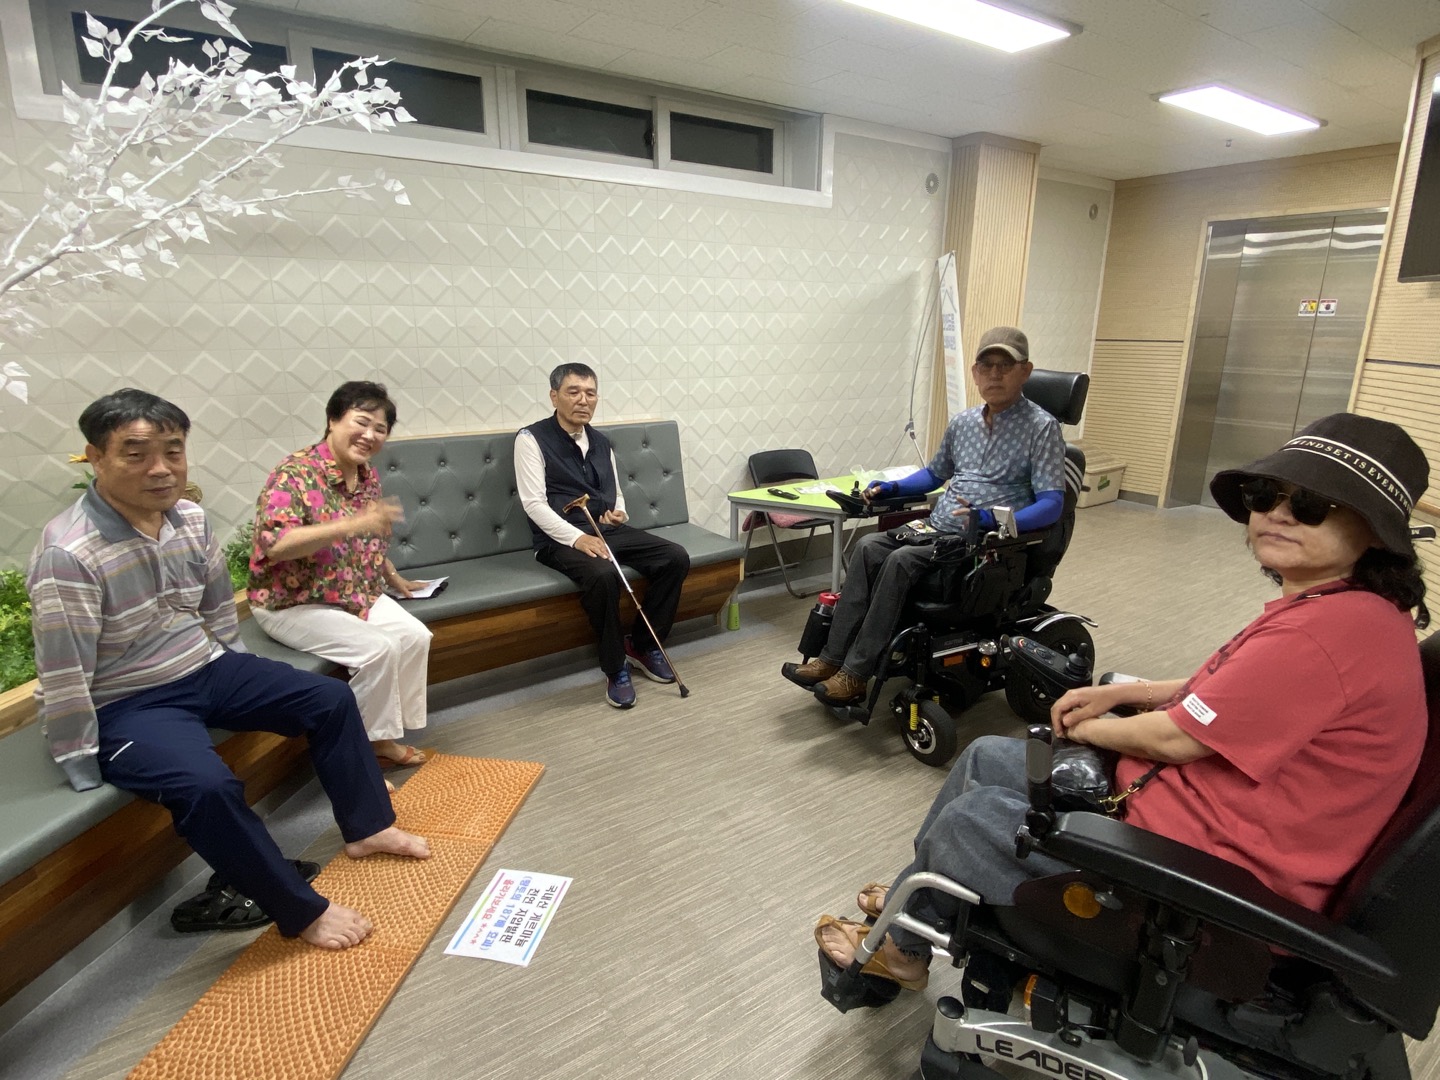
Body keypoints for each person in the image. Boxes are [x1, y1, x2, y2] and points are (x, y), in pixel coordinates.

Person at [814, 411, 1430, 991]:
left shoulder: (1325, 636)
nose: (1278, 515)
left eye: (1313, 505)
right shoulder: (1347, 611)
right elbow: (1232, 689)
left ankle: (904, 945)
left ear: (1375, 530)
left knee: (970, 822)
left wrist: (1087, 726)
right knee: (982, 758)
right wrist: (1130, 692)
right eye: (1267, 496)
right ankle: (919, 898)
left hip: (1202, 887)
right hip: (1181, 813)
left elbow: (1178, 738)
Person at [26, 389, 430, 950]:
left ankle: (369, 827)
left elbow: (217, 606)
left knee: (329, 699)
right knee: (208, 785)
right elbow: (62, 669)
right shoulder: (69, 553)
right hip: (126, 702)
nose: (161, 468)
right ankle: (299, 910)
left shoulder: (189, 520)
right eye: (136, 454)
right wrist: (77, 758)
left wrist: (239, 668)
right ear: (96, 457)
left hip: (204, 667)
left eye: (173, 451)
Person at [782, 325, 1066, 706]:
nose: (995, 374)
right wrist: (893, 488)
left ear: (1025, 371)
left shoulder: (1042, 428)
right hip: (935, 527)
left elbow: (1052, 503)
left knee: (900, 561)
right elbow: (934, 475)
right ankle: (831, 659)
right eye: (986, 365)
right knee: (867, 547)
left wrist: (991, 520)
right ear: (975, 373)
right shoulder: (963, 423)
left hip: (981, 543)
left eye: (1006, 365)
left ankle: (855, 674)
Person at [248, 381, 433, 768]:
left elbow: (368, 538)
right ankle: (354, 760)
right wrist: (350, 524)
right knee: (378, 649)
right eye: (361, 422)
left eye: (380, 429)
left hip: (352, 592)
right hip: (292, 602)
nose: (370, 435)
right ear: (333, 419)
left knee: (415, 637)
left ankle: (380, 738)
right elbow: (277, 544)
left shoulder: (365, 475)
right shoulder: (294, 474)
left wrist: (392, 576)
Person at [515, 363, 690, 709]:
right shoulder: (530, 439)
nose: (583, 400)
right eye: (573, 392)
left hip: (604, 529)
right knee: (604, 575)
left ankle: (642, 645)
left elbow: (615, 491)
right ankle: (615, 666)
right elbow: (533, 504)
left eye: (590, 393)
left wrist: (618, 512)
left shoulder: (600, 441)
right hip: (557, 540)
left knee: (674, 557)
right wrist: (578, 539)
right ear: (554, 396)